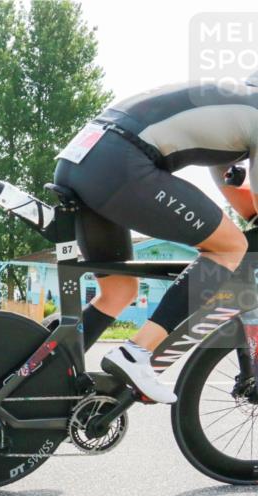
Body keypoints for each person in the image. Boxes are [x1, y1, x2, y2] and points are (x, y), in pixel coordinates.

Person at [53, 74, 258, 404]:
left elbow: (237, 196)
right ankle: (136, 354)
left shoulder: (231, 102)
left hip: (80, 159)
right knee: (231, 247)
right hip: (119, 162)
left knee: (119, 290)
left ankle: (40, 373)